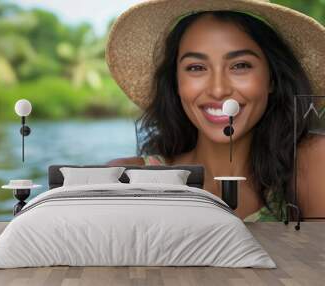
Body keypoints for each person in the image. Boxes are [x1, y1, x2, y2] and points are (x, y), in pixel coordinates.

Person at [105, 0, 325, 222]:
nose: (218, 90)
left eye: (240, 65)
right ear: (176, 83)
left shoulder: (311, 162)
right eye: (196, 68)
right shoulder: (125, 178)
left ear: (272, 80)